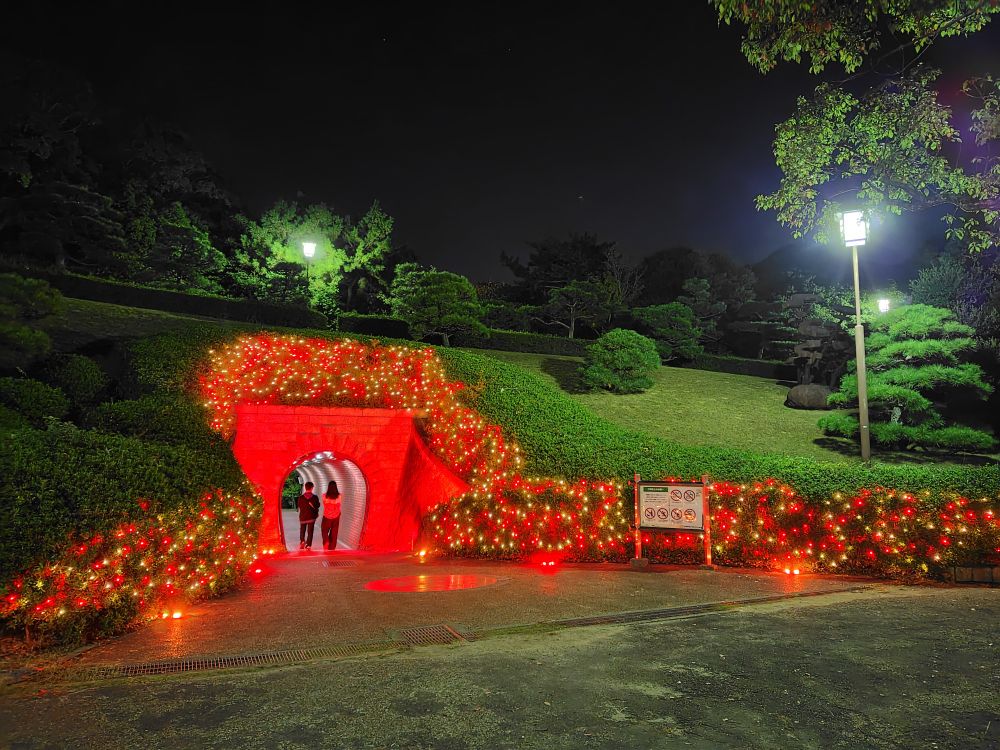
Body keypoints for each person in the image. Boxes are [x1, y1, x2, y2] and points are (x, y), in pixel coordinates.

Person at [296, 482, 320, 550]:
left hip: (303, 516)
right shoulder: (315, 497)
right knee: (310, 531)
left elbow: (299, 506)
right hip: (311, 517)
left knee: (302, 529)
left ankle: (302, 541)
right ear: (312, 488)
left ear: (305, 487)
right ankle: (308, 545)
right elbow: (317, 506)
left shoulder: (300, 498)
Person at [320, 480, 342, 551]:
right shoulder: (339, 496)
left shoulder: (324, 496)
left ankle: (326, 541)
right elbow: (338, 505)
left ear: (328, 487)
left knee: (324, 530)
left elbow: (325, 505)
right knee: (334, 532)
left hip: (327, 516)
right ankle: (332, 547)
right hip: (336, 516)